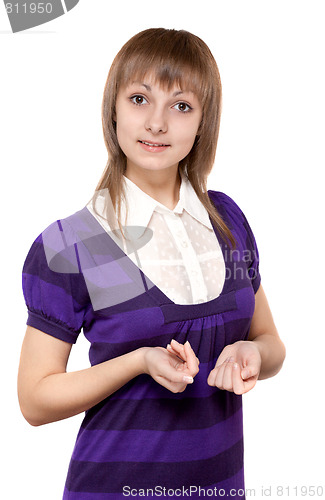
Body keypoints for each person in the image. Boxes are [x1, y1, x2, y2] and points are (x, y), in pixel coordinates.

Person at [18, 28, 286, 500]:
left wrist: (254, 355)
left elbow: (271, 344)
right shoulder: (72, 244)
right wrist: (138, 362)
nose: (156, 123)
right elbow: (35, 400)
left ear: (203, 122)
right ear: (113, 109)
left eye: (181, 105)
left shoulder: (228, 223)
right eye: (139, 98)